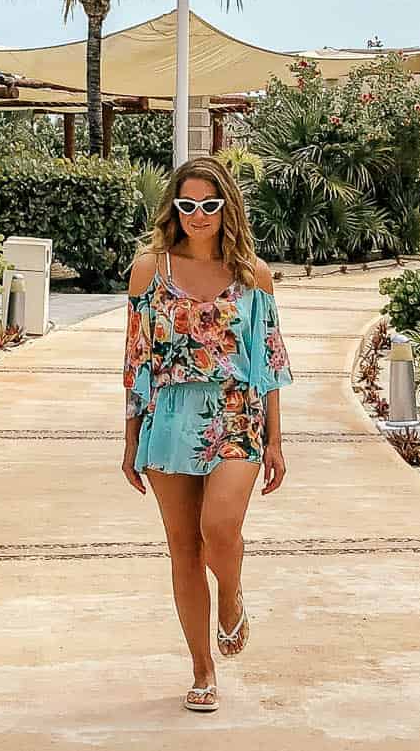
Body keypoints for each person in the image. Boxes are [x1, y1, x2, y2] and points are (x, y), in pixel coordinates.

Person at [121, 155, 293, 714]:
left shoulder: (254, 276)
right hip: (168, 416)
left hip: (234, 415)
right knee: (183, 551)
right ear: (175, 207)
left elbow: (267, 364)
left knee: (220, 527)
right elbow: (136, 358)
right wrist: (129, 439)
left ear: (227, 209)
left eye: (210, 205)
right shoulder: (150, 269)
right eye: (188, 204)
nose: (199, 215)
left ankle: (233, 593)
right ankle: (201, 668)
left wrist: (275, 440)